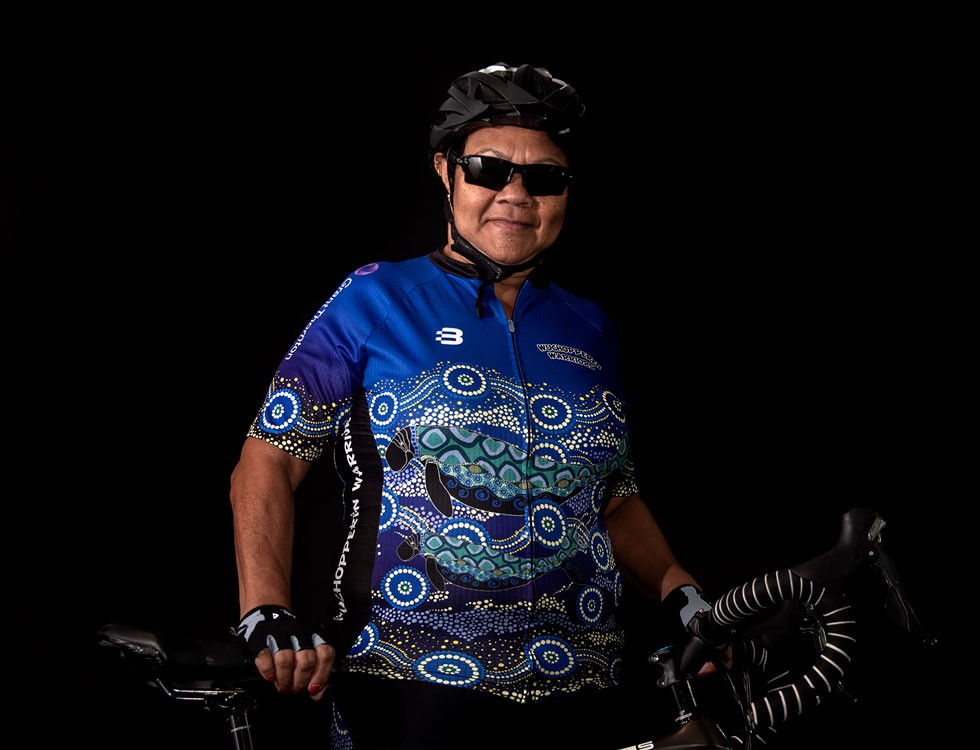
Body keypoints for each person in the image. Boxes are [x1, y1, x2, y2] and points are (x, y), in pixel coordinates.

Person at [229, 62, 721, 750]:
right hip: (407, 684)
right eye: (490, 170)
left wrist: (682, 592)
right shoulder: (375, 299)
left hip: (586, 689)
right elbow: (268, 461)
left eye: (544, 178)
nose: (515, 195)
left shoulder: (589, 328)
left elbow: (612, 498)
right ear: (446, 170)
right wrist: (265, 611)